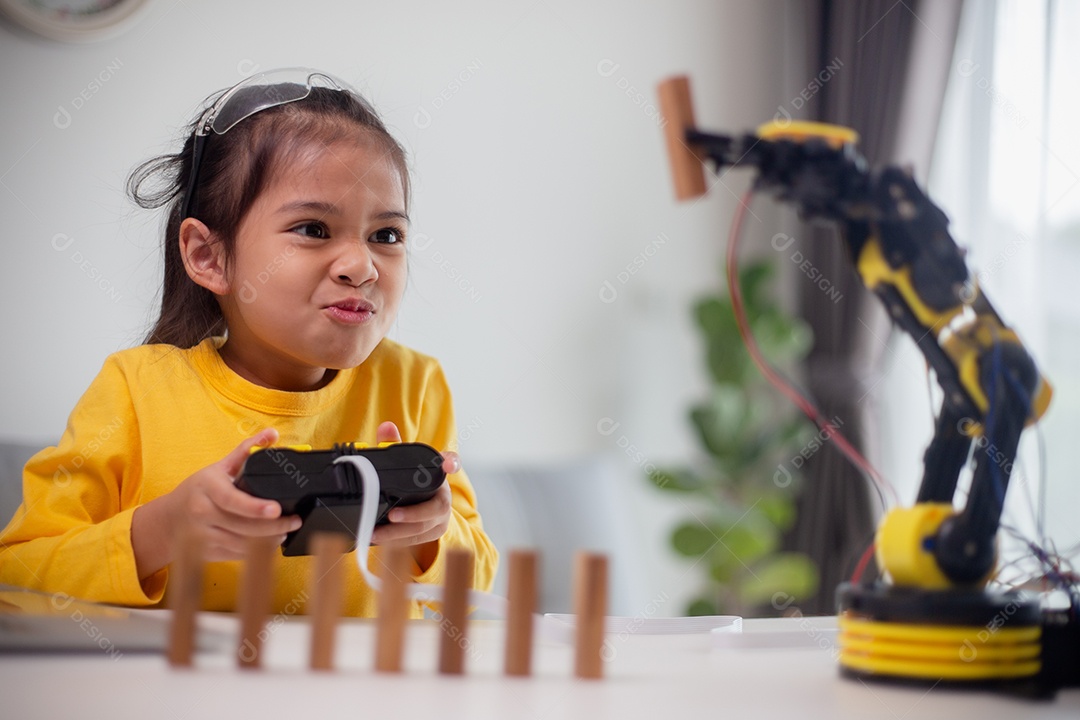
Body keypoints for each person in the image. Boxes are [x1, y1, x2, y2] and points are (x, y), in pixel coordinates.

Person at [0, 68, 497, 617]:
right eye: (313, 229)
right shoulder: (136, 389)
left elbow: (477, 582)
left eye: (386, 235)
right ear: (209, 257)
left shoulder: (416, 383)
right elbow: (18, 573)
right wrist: (161, 530)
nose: (362, 267)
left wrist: (433, 534)